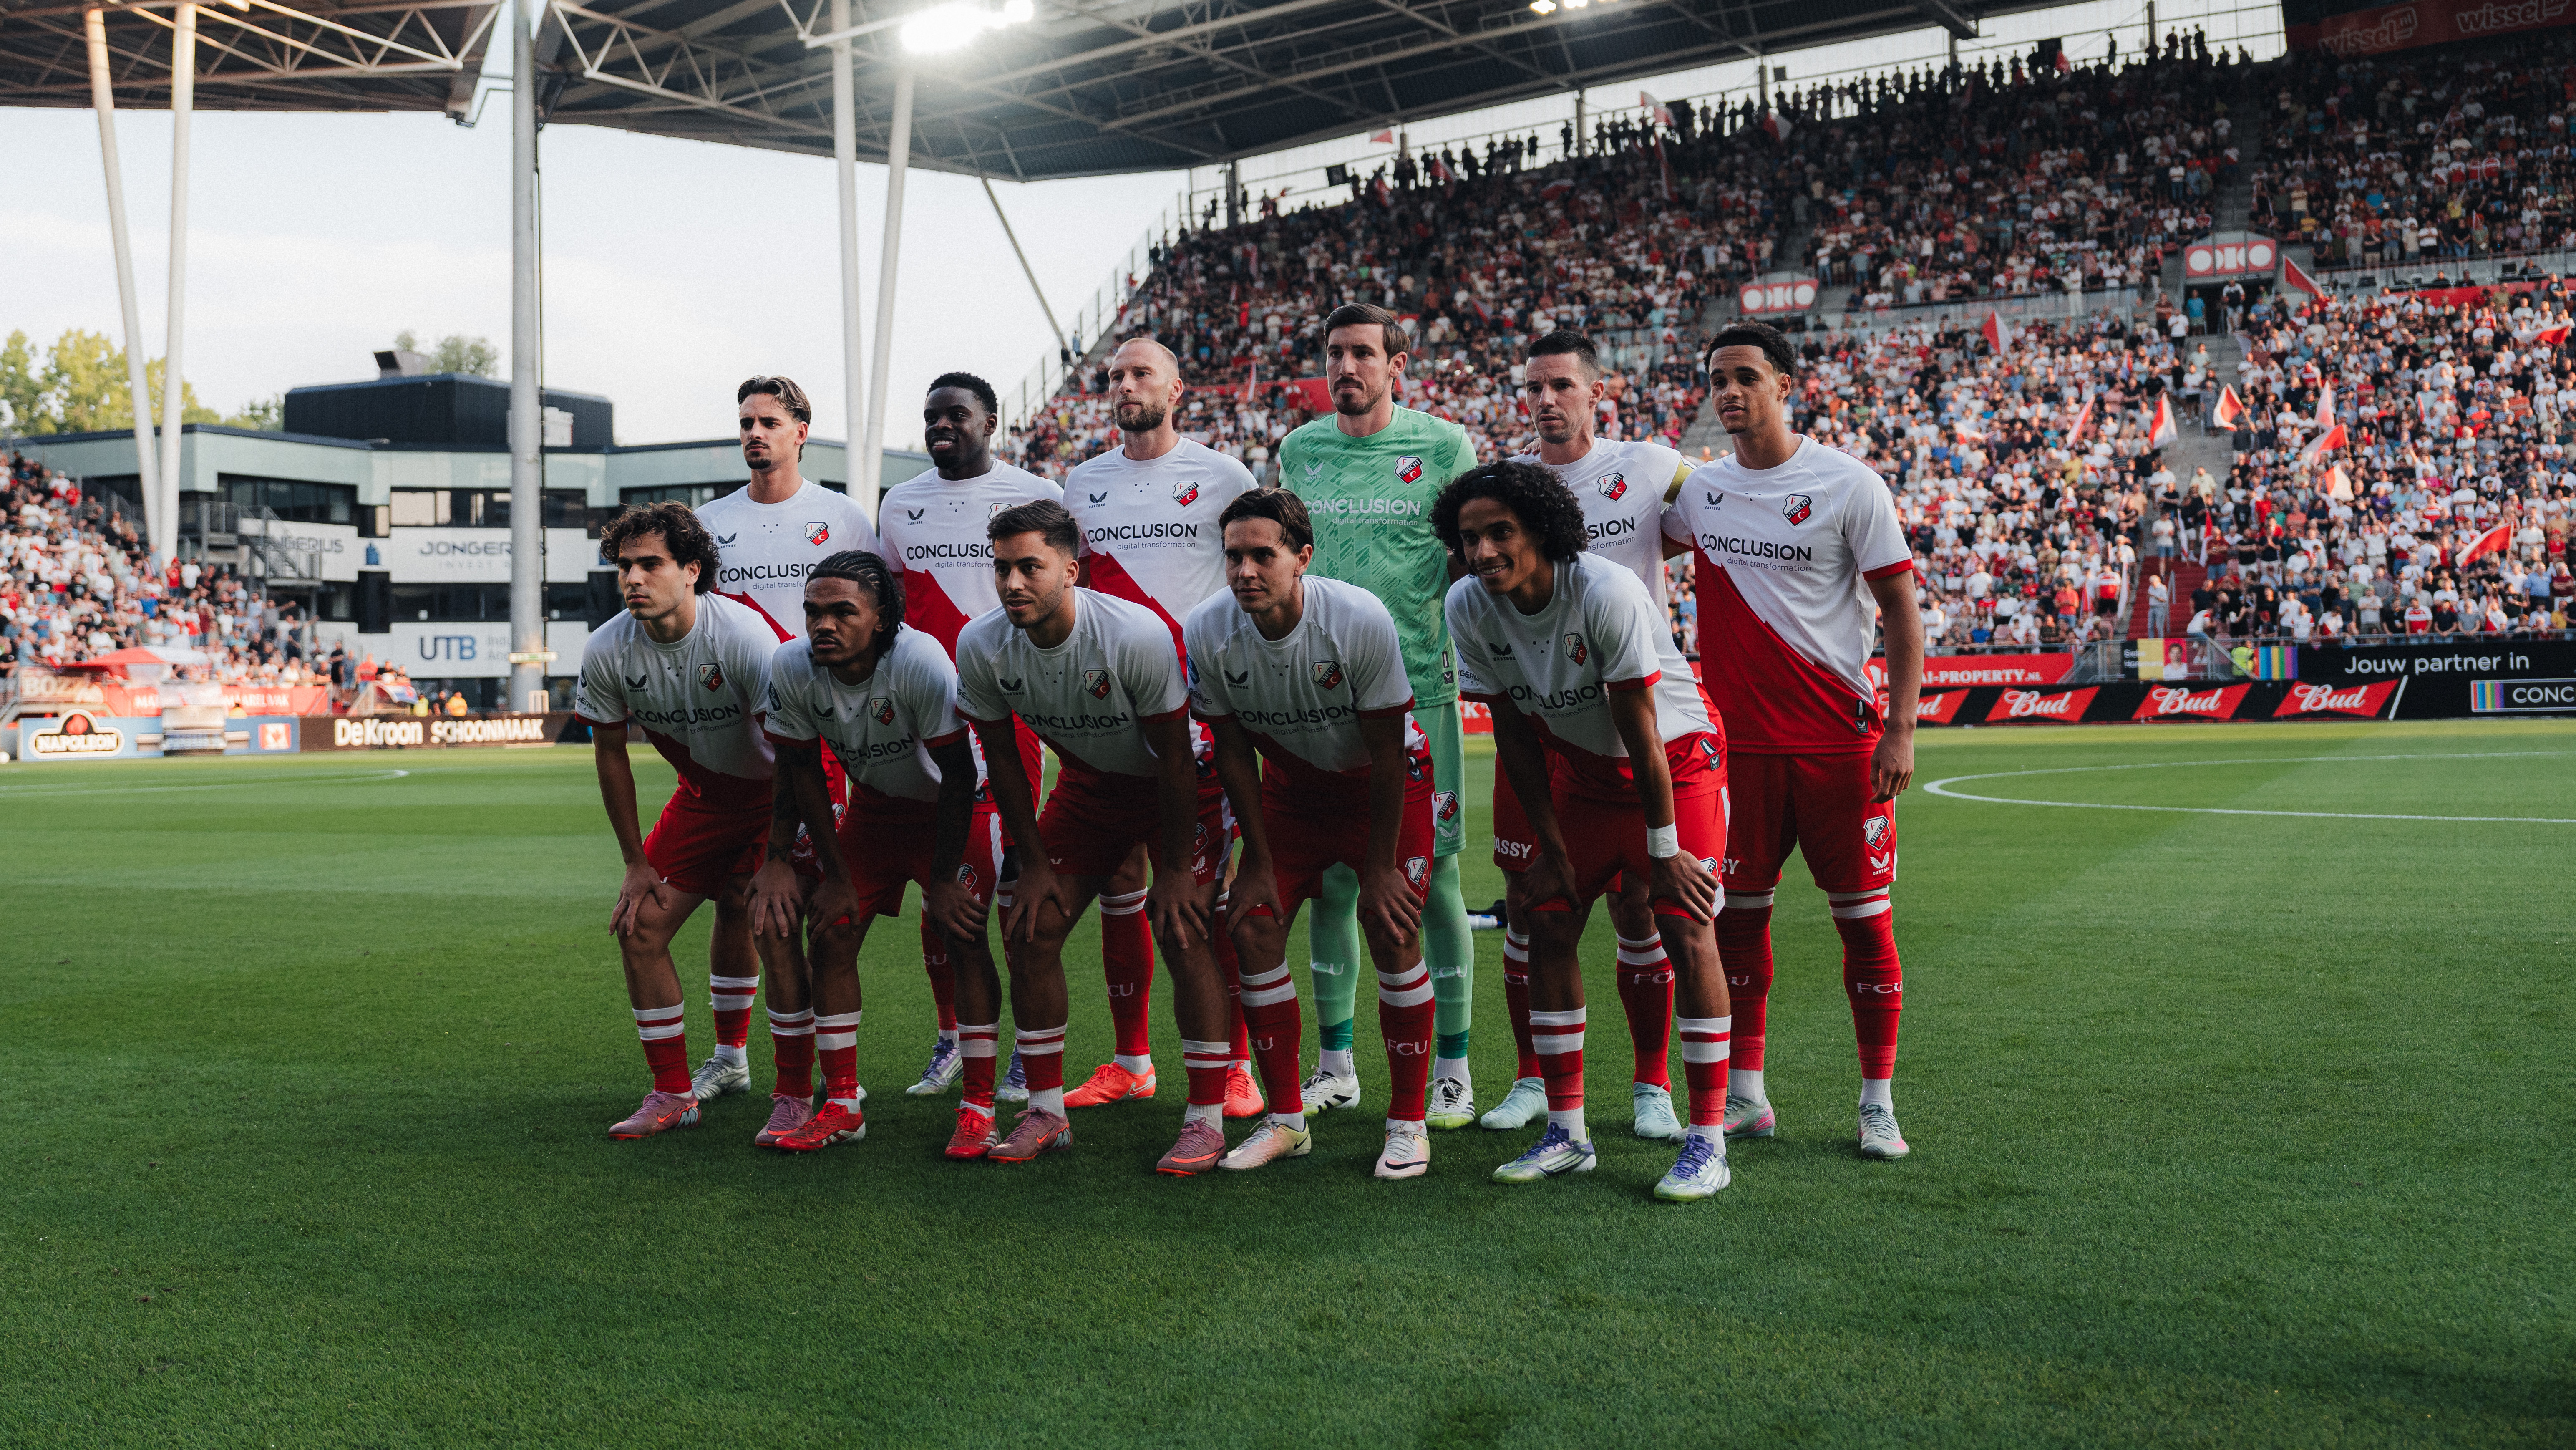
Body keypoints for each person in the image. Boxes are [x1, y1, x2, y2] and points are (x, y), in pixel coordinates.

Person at [1662, 320, 1925, 1162]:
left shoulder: (1850, 485)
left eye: (1745, 376)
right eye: (1716, 379)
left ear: (1784, 384)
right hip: (1735, 753)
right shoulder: (1699, 494)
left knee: (1864, 924)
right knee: (1736, 924)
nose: (1728, 393)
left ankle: (1876, 1102)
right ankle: (1746, 1096)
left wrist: (1900, 729)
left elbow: (1902, 615)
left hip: (1839, 746)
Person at [1437, 461, 1735, 1201]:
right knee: (1549, 921)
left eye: (1500, 533)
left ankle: (1707, 1142)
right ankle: (1568, 1133)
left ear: (1541, 530)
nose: (1483, 553)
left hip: (1674, 766)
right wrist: (1552, 848)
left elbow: (1642, 729)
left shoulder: (1605, 591)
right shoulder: (1468, 605)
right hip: (1580, 775)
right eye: (1470, 538)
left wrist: (1663, 854)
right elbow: (1513, 733)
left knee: (1686, 928)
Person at [953, 500, 1235, 1173]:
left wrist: (1171, 869)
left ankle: (1206, 1119)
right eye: (1001, 570)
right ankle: (1046, 1112)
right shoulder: (982, 644)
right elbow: (1002, 761)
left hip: (1180, 787)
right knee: (1031, 927)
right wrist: (1033, 862)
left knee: (1183, 928)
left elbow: (1174, 758)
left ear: (1071, 570)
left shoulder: (1131, 634)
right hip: (1087, 789)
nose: (1013, 583)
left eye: (1030, 567)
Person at [1479, 329, 1704, 1144]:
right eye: (1532, 388)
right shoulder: (1502, 487)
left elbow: (1709, 516)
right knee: (1530, 905)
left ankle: (1651, 1086)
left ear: (1595, 391)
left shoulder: (1646, 465)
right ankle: (1532, 1079)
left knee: (1640, 910)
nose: (1544, 401)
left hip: (1623, 719)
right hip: (1537, 725)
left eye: (1560, 387)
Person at [1186, 490, 1438, 1178]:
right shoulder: (1207, 629)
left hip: (1384, 786)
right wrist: (1257, 860)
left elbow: (1389, 752)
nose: (1244, 571)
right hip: (1293, 792)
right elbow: (1233, 752)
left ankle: (1408, 1125)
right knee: (1254, 923)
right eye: (1233, 556)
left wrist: (1382, 868)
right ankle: (1286, 1120)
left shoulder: (1356, 619)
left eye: (1262, 555)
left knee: (1392, 928)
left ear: (1301, 558)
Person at [1277, 303, 1483, 1127]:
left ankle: (1454, 1069)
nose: (1346, 367)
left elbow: (1467, 560)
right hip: (1320, 698)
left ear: (1398, 364)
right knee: (1332, 882)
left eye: (1363, 352)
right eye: (1335, 354)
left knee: (1431, 880)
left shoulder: (1443, 447)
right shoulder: (1300, 450)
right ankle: (1336, 1065)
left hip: (1418, 696)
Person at [1060, 337, 1264, 1116]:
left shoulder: (1223, 477)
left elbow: (1251, 571)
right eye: (1115, 376)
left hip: (1203, 715)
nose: (1125, 385)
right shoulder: (1084, 482)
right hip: (1112, 713)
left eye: (1141, 373)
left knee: (1202, 897)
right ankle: (1131, 1061)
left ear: (1177, 388)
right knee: (1120, 885)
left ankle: (1236, 1066)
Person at [745, 550, 1007, 1156]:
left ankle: (979, 1106)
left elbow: (959, 773)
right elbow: (800, 770)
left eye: (843, 612)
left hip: (959, 807)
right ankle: (841, 1105)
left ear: (883, 618)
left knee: (963, 935)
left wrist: (943, 881)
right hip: (875, 809)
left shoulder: (919, 660)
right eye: (813, 612)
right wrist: (812, 867)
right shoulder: (792, 664)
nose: (823, 625)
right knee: (831, 931)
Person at [572, 503, 804, 1141]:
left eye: (651, 565)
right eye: (624, 567)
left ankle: (794, 1093)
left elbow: (792, 751)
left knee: (767, 920)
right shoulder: (608, 647)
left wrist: (779, 857)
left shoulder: (744, 637)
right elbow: (610, 753)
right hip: (704, 797)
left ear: (693, 571)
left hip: (779, 794)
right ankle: (675, 1092)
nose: (633, 579)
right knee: (640, 925)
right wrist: (635, 863)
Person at [679, 375, 879, 1102]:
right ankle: (731, 1055)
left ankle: (841, 1072)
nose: (754, 434)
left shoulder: (845, 518)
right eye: (745, 423)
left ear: (802, 431)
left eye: (769, 421)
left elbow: (874, 614)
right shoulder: (708, 523)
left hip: (819, 731)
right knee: (734, 894)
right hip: (732, 730)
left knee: (802, 899)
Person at [876, 373, 1062, 1101]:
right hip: (929, 716)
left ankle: (1023, 1048)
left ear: (991, 422)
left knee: (1015, 881)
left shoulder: (1033, 496)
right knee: (941, 880)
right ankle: (954, 1036)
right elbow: (889, 604)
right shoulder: (901, 503)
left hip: (1013, 711)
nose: (942, 425)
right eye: (931, 417)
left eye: (957, 415)